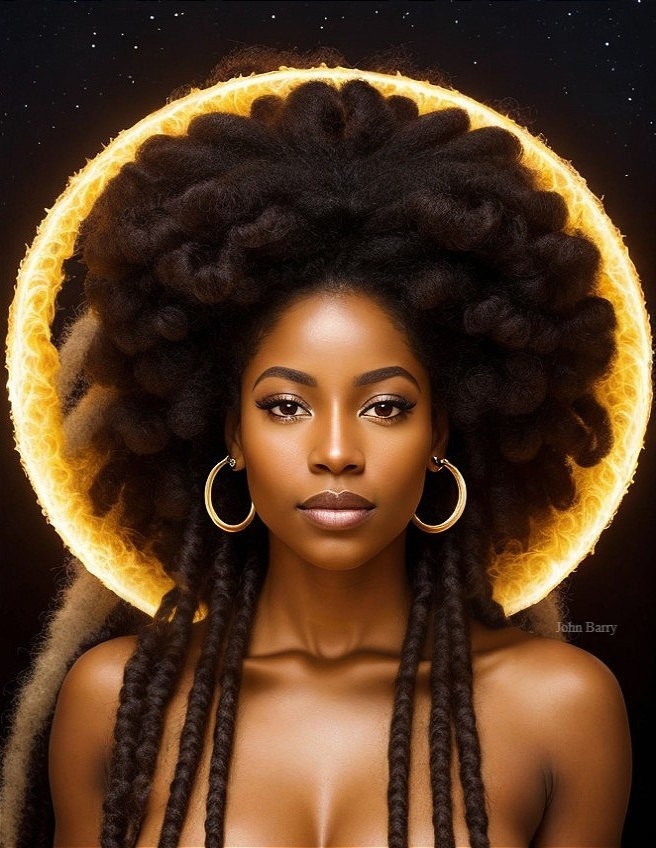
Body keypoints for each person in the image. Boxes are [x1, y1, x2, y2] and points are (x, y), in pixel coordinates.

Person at [0, 46, 634, 848]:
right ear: (229, 430)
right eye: (288, 405)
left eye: (385, 406)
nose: (337, 450)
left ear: (442, 431)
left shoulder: (561, 708)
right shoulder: (117, 700)